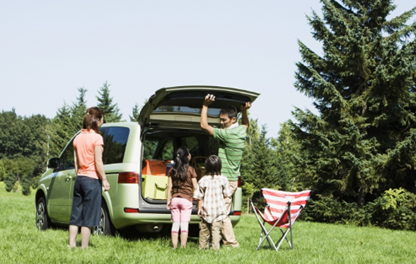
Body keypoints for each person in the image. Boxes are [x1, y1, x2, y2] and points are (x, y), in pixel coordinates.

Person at [200, 94, 251, 248]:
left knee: (222, 214)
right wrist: (245, 112)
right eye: (220, 120)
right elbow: (246, 124)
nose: (221, 123)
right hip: (232, 179)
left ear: (233, 120)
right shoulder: (242, 131)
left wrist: (205, 105)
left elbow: (204, 126)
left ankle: (231, 243)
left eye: (224, 120)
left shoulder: (227, 134)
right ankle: (228, 242)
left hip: (226, 180)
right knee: (223, 212)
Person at [68, 107, 110, 249]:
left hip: (79, 179)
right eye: (102, 119)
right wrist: (104, 179)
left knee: (76, 214)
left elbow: (76, 162)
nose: (103, 121)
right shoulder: (97, 138)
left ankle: (71, 244)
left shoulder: (78, 137)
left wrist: (79, 173)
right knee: (89, 216)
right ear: (97, 121)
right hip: (92, 180)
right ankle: (84, 247)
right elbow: (98, 161)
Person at [193, 155, 232, 250]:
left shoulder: (203, 180)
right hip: (219, 212)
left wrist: (199, 208)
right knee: (216, 232)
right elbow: (227, 194)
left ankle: (202, 248)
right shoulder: (223, 179)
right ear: (220, 166)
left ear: (206, 166)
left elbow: (199, 197)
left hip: (206, 211)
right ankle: (215, 248)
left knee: (204, 232)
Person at [166, 146, 198, 248]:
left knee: (175, 224)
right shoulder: (191, 170)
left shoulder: (172, 170)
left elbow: (169, 187)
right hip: (186, 200)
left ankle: (174, 247)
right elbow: (196, 187)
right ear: (186, 157)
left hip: (175, 199)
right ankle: (183, 246)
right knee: (184, 224)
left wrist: (168, 200)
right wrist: (197, 200)